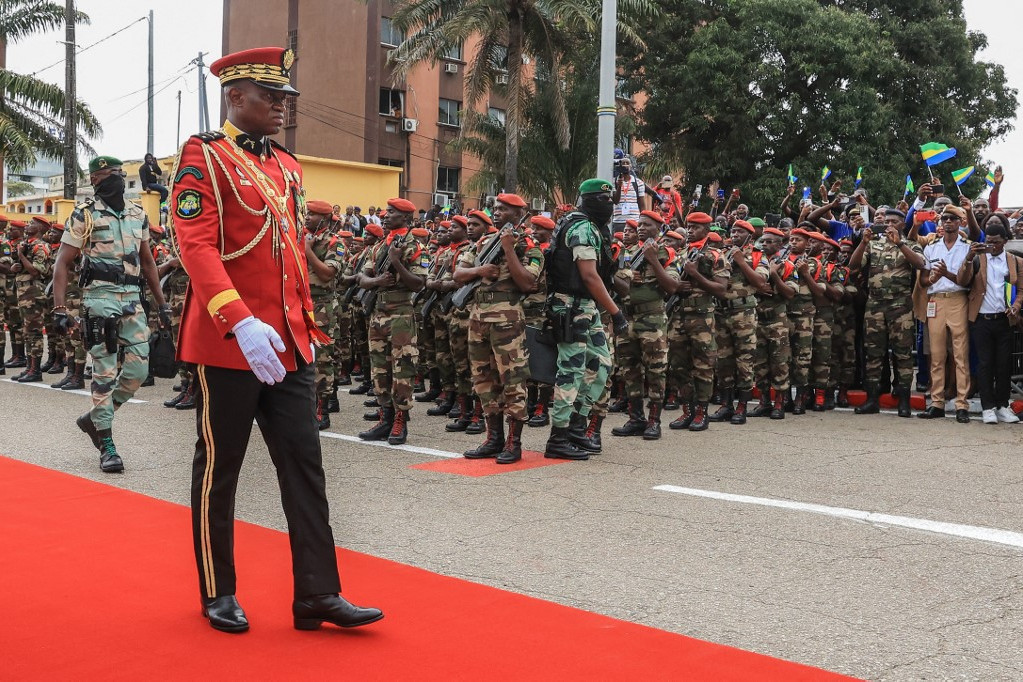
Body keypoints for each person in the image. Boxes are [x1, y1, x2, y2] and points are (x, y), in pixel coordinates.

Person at [171, 46, 382, 634]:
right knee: (220, 469)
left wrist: (304, 324)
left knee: (305, 468)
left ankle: (317, 594)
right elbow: (197, 246)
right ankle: (218, 591)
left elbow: (290, 257)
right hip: (232, 341)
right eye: (272, 97)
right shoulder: (204, 157)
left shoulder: (287, 167)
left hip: (287, 343)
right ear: (236, 97)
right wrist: (237, 318)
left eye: (286, 98)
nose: (283, 107)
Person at [51, 156, 171, 472]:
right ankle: (106, 444)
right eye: (104, 175)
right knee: (104, 372)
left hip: (133, 299)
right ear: (95, 180)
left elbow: (147, 264)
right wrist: (60, 308)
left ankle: (95, 418)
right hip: (98, 301)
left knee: (138, 371)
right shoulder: (84, 215)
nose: (111, 178)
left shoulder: (137, 214)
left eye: (115, 173)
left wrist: (162, 305)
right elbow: (62, 263)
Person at [453, 193, 542, 463]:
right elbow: (458, 275)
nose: (496, 212)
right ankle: (493, 438)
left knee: (513, 381)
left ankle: (513, 442)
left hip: (508, 321)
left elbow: (528, 283)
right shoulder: (482, 243)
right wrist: (481, 271)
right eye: (495, 208)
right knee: (483, 379)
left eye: (503, 209)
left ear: (518, 214)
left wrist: (509, 249)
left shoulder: (529, 245)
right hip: (478, 319)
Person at [545, 178, 627, 460]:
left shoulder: (589, 226)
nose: (608, 205)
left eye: (610, 200)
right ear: (588, 200)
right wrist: (616, 312)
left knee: (601, 364)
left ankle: (577, 428)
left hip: (585, 307)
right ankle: (559, 437)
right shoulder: (581, 227)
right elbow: (589, 276)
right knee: (572, 371)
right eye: (603, 200)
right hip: (571, 306)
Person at [355, 198, 428, 444]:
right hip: (378, 313)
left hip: (401, 314)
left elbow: (419, 284)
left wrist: (397, 262)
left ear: (406, 219)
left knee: (403, 368)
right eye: (386, 211)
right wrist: (377, 282)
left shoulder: (414, 246)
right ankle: (385, 417)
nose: (385, 215)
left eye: (392, 212)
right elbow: (362, 278)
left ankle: (400, 420)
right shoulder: (378, 247)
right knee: (380, 368)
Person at [850, 209, 926, 417]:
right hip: (874, 306)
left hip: (900, 306)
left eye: (894, 221)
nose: (889, 224)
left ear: (903, 225)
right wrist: (863, 243)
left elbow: (920, 264)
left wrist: (900, 243)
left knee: (902, 355)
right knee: (873, 354)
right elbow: (853, 267)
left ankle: (904, 400)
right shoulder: (873, 244)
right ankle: (872, 399)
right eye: (887, 221)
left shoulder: (910, 245)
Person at [956, 220, 1021, 424]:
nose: (992, 246)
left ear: (1005, 241)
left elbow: (1021, 290)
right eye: (989, 241)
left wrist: (1017, 306)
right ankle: (988, 407)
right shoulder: (977, 259)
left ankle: (1002, 405)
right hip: (981, 320)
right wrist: (968, 257)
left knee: (1003, 364)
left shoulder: (1015, 261)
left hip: (1004, 320)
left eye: (996, 242)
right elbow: (962, 280)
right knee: (985, 364)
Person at [916, 205, 972, 422]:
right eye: (944, 218)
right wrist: (932, 278)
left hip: (958, 299)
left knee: (960, 355)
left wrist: (945, 274)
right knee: (937, 355)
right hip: (936, 301)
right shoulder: (932, 247)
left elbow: (967, 279)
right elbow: (922, 279)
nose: (947, 221)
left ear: (960, 222)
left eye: (952, 218)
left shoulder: (966, 247)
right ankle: (937, 402)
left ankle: (961, 404)